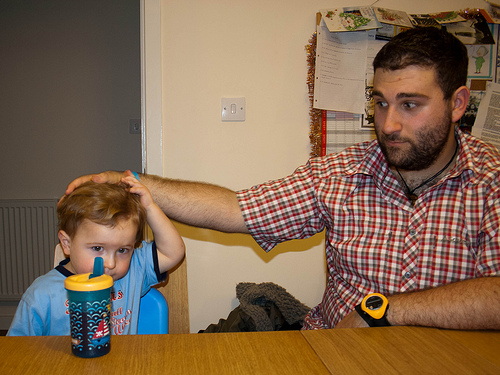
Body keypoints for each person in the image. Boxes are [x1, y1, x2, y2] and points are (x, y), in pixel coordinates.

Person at [64, 27, 500, 331]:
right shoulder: (340, 174)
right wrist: (132, 183)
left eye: (410, 105)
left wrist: (385, 311)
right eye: (381, 103)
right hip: (331, 350)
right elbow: (237, 209)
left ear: (458, 102)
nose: (387, 125)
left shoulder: (492, 182)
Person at [8, 175, 185, 336]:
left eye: (123, 250)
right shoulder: (41, 294)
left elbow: (173, 253)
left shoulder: (134, 271)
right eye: (98, 248)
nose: (110, 263)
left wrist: (149, 207)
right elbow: (18, 352)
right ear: (67, 244)